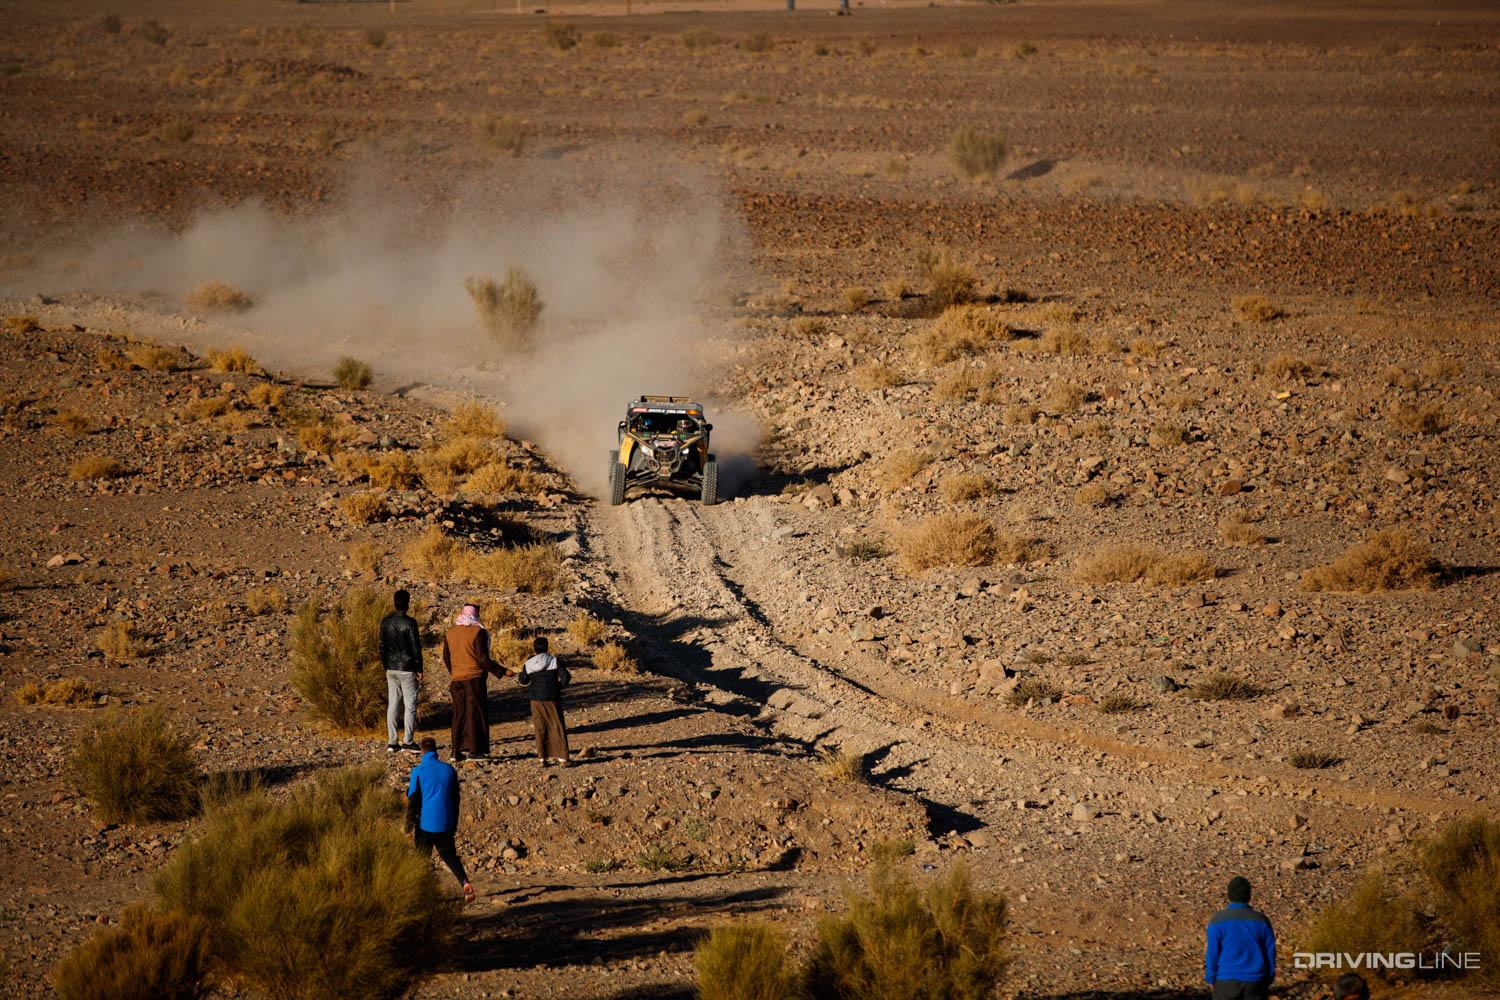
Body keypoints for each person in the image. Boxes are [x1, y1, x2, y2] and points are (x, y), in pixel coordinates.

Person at [405, 737, 474, 904]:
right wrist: (454, 823)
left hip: (425, 824)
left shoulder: (418, 771)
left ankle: (420, 894)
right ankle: (464, 882)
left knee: (421, 859)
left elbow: (413, 799)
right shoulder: (450, 771)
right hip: (445, 823)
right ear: (436, 751)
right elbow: (455, 799)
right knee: (450, 856)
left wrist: (409, 824)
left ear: (421, 751)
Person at [441, 603, 507, 762]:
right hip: (474, 679)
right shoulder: (478, 632)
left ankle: (456, 751)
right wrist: (502, 671)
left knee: (459, 714)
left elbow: (446, 657)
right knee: (475, 713)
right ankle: (475, 751)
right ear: (476, 615)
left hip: (456, 680)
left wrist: (455, 672)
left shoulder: (450, 633)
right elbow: (483, 659)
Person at [1205, 876, 1276, 1000]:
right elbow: (1270, 951)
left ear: (1229, 895)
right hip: (1256, 980)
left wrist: (1210, 977)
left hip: (1225, 981)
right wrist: (1269, 977)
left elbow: (1212, 952)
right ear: (1249, 896)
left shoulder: (1218, 920)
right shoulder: (1262, 920)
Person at [379, 589, 423, 754]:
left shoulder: (386, 621)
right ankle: (408, 741)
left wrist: (386, 665)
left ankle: (392, 742)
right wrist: (419, 668)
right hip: (408, 668)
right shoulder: (411, 623)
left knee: (393, 704)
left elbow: (382, 646)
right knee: (410, 705)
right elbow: (415, 647)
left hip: (391, 668)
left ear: (394, 602)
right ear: (408, 603)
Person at [516, 636, 571, 766]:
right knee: (557, 725)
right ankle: (563, 758)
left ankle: (542, 759)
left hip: (535, 699)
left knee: (540, 727)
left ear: (534, 649)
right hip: (552, 697)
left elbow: (523, 680)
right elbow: (566, 677)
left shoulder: (529, 663)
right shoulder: (554, 661)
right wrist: (558, 686)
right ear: (547, 647)